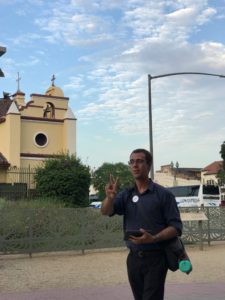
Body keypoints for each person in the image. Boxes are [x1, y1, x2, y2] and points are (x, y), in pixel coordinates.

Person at [101, 148, 182, 300]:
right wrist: (111, 198)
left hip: (156, 258)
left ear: (149, 165)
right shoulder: (126, 194)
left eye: (139, 161)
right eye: (132, 162)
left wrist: (154, 238)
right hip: (133, 259)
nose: (135, 165)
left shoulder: (164, 195)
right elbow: (105, 211)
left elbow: (176, 227)